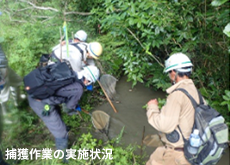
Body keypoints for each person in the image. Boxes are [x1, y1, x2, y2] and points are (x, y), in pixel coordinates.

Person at [27, 65, 100, 153]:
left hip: (43, 93)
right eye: (90, 82)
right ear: (87, 80)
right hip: (40, 102)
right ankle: (62, 153)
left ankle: (63, 127)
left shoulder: (69, 72)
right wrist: (74, 106)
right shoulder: (79, 89)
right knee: (60, 132)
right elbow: (69, 106)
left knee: (58, 113)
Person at [146, 53, 198, 165]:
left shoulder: (177, 95)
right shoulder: (194, 91)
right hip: (192, 151)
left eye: (169, 73)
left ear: (174, 72)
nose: (169, 76)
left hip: (176, 154)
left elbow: (164, 125)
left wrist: (152, 107)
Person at [0, 44, 25, 124]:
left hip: (4, 66)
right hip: (1, 71)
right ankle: (4, 117)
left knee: (17, 81)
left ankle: (17, 100)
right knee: (3, 96)